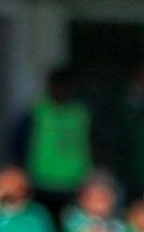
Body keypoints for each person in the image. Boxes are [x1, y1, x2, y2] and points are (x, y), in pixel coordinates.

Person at [18, 69, 94, 218]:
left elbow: (92, 143)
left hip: (74, 183)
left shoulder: (80, 113)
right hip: (42, 182)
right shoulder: (38, 111)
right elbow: (20, 144)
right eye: (59, 86)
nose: (62, 90)